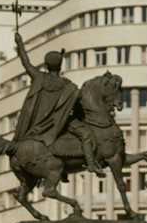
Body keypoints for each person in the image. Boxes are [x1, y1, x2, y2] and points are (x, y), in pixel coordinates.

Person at [12, 31, 103, 176]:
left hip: (41, 124)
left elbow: (26, 63)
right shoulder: (67, 85)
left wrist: (20, 44)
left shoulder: (39, 77)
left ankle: (64, 170)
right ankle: (91, 164)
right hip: (63, 121)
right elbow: (78, 102)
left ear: (47, 65)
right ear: (60, 66)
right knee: (85, 136)